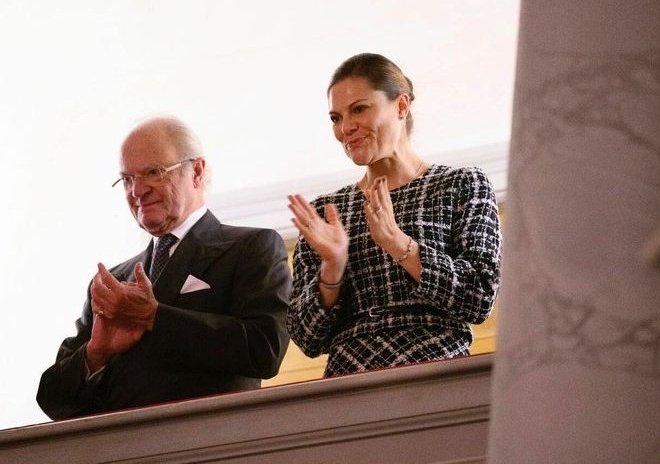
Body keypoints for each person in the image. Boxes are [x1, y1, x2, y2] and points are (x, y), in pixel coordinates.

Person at [37, 116, 291, 420]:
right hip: (122, 442)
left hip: (207, 436)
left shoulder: (251, 247)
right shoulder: (112, 281)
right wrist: (96, 353)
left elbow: (265, 349)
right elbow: (53, 401)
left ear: (196, 171)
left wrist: (154, 317)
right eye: (127, 179)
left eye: (153, 173)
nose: (137, 190)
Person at [286, 53, 502, 377]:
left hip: (439, 375)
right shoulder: (325, 212)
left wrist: (398, 243)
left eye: (359, 109)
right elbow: (306, 338)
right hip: (349, 386)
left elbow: (480, 297)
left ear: (401, 106)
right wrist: (333, 266)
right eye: (335, 117)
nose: (346, 127)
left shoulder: (461, 184)